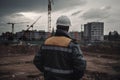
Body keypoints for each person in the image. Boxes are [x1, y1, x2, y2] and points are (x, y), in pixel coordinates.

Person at [33, 15, 86, 80]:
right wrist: (75, 77)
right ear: (68, 28)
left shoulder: (47, 42)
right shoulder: (71, 44)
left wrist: (46, 72)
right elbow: (81, 65)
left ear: (57, 27)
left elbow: (37, 60)